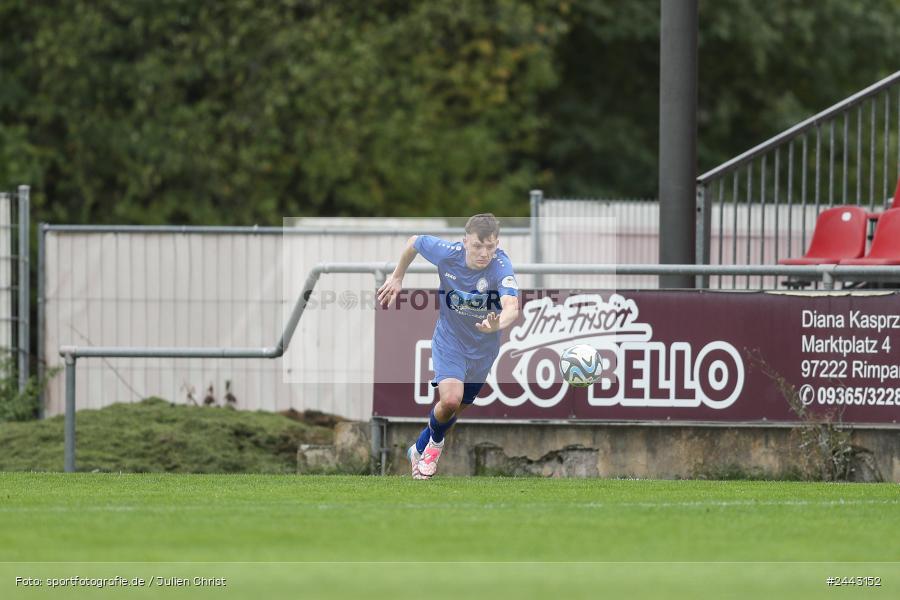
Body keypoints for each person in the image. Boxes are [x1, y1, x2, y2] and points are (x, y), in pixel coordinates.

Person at [376, 214, 520, 479]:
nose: (484, 253)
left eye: (490, 247)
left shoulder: (500, 266)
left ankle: (418, 448)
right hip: (450, 340)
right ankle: (435, 447)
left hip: (483, 350)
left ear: (497, 244)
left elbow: (512, 308)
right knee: (450, 400)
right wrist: (397, 277)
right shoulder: (447, 254)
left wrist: (497, 324)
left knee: (453, 410)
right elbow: (414, 242)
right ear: (465, 241)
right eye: (477, 246)